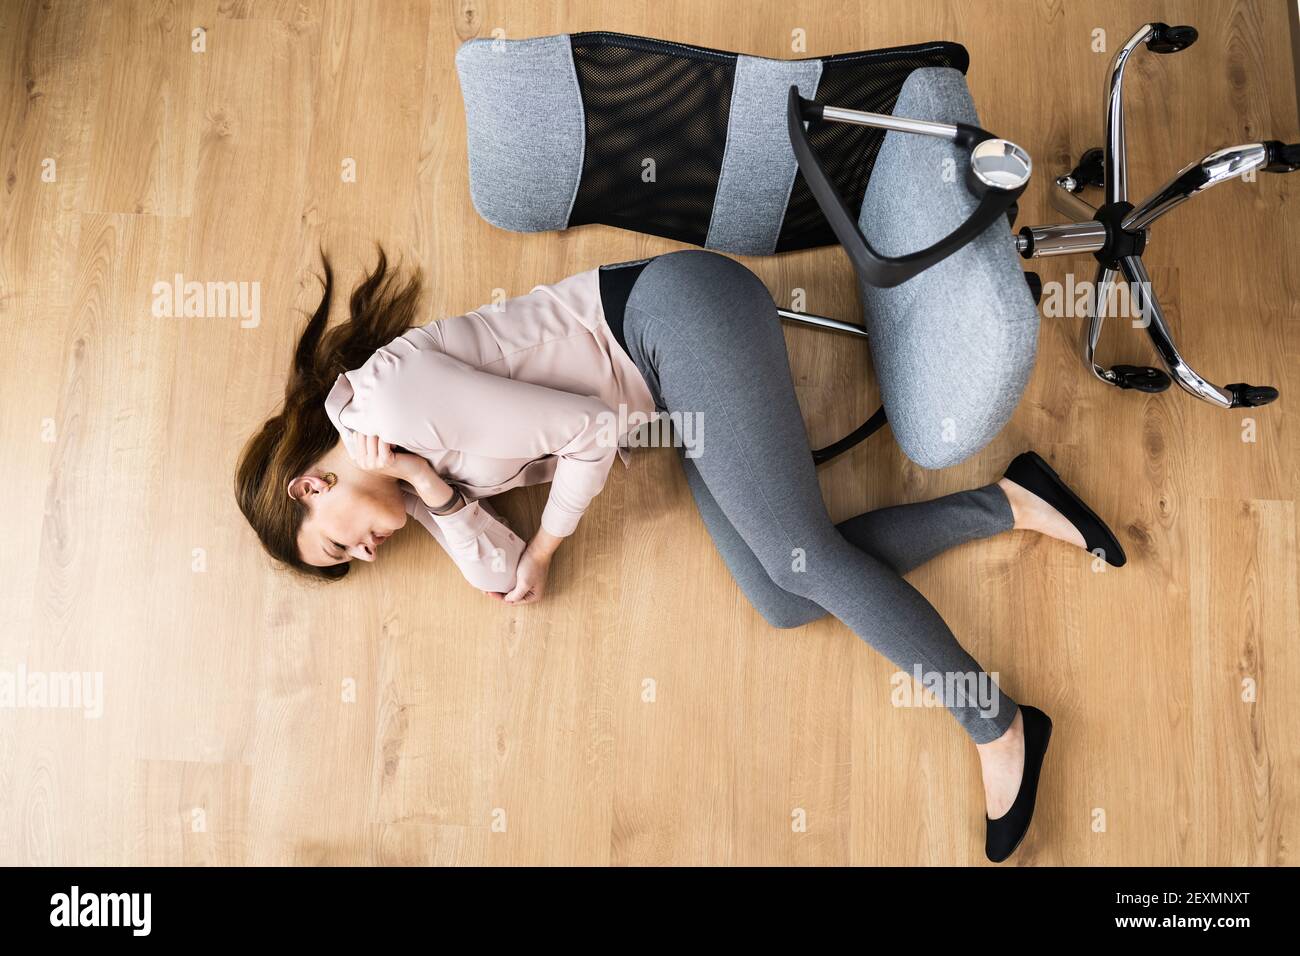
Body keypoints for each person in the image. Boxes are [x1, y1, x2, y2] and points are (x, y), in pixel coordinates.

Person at [236, 246, 1126, 861]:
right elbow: (499, 578)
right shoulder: (401, 472)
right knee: (785, 597)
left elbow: (585, 437)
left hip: (674, 316)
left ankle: (998, 723)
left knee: (801, 559)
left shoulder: (391, 412)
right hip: (667, 395)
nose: (366, 554)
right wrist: (438, 497)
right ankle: (1012, 500)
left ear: (309, 487)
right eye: (351, 564)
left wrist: (547, 541)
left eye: (339, 547)